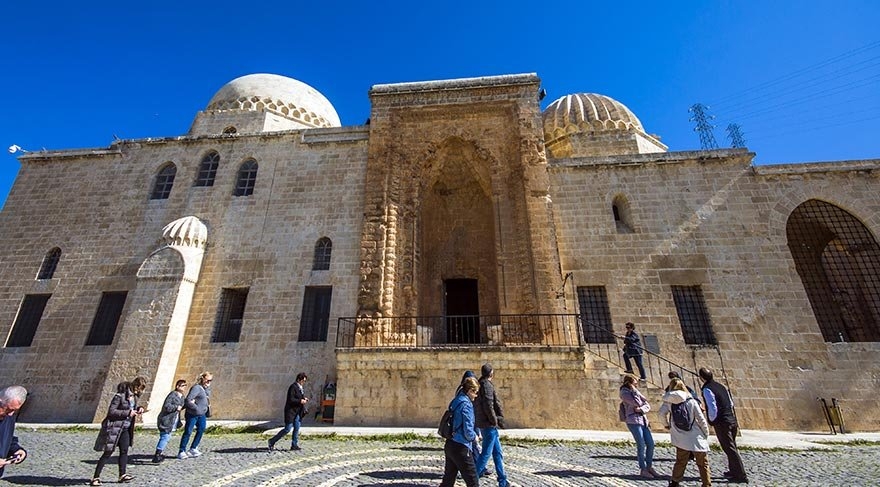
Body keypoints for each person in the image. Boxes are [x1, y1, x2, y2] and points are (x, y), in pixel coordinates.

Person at [91, 377, 147, 486]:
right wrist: (128, 413)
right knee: (108, 452)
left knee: (124, 451)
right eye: (138, 388)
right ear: (134, 386)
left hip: (126, 428)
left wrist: (140, 408)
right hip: (115, 428)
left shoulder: (134, 397)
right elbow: (111, 411)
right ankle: (95, 477)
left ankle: (122, 475)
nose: (139, 391)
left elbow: (132, 408)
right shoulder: (120, 396)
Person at [699, 368, 748, 483]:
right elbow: (730, 403)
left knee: (729, 448)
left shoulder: (707, 389)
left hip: (722, 422)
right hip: (731, 419)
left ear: (701, 378)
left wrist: (712, 421)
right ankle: (733, 470)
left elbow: (712, 406)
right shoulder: (721, 386)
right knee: (732, 446)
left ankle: (741, 475)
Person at [660, 378, 711, 487]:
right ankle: (706, 484)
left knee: (680, 461)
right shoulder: (691, 400)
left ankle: (675, 482)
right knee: (703, 463)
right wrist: (706, 433)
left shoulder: (668, 401)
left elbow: (661, 414)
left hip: (680, 436)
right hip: (696, 435)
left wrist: (666, 425)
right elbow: (701, 419)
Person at [440, 376, 480, 487]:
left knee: (448, 480)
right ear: (470, 391)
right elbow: (468, 431)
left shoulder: (456, 400)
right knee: (473, 481)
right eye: (475, 393)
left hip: (450, 443)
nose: (476, 396)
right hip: (461, 447)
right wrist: (474, 437)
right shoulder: (466, 405)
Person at [474, 363, 509, 487]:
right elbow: (489, 405)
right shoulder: (486, 386)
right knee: (486, 454)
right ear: (491, 373)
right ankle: (472, 479)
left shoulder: (481, 384)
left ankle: (503, 480)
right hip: (488, 424)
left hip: (486, 424)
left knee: (497, 453)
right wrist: (494, 421)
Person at [619, 374, 657, 479]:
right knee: (641, 444)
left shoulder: (635, 391)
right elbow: (636, 402)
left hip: (643, 420)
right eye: (634, 383)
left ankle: (649, 466)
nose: (636, 385)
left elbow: (647, 404)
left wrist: (641, 409)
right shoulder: (624, 393)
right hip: (633, 421)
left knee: (650, 444)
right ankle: (643, 469)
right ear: (629, 383)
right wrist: (635, 392)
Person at [268, 372, 309, 451]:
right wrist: (300, 401)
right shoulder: (293, 387)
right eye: (303, 381)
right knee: (287, 429)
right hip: (291, 412)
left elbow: (299, 397)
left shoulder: (300, 388)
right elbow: (291, 399)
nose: (304, 382)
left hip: (298, 412)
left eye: (304, 381)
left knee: (296, 428)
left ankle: (294, 445)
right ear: (299, 379)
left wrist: (304, 399)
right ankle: (272, 441)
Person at [178, 371, 212, 459]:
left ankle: (193, 448)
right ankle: (182, 450)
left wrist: (207, 389)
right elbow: (188, 400)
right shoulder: (196, 388)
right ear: (202, 379)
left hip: (202, 414)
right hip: (192, 414)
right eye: (207, 380)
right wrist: (196, 408)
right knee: (188, 432)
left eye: (210, 380)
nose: (209, 382)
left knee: (201, 429)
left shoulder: (206, 389)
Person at [154, 379, 187, 462]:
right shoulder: (172, 395)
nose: (184, 387)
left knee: (166, 437)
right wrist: (176, 407)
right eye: (183, 385)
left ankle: (159, 453)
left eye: (185, 385)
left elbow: (181, 407)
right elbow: (166, 406)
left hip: (173, 420)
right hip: (166, 419)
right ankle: (157, 454)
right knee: (165, 436)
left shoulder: (182, 397)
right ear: (177, 386)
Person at [0, 385, 28, 479]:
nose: (11, 414)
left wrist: (16, 450)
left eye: (15, 411)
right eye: (9, 409)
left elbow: (6, 439)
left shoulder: (8, 416)